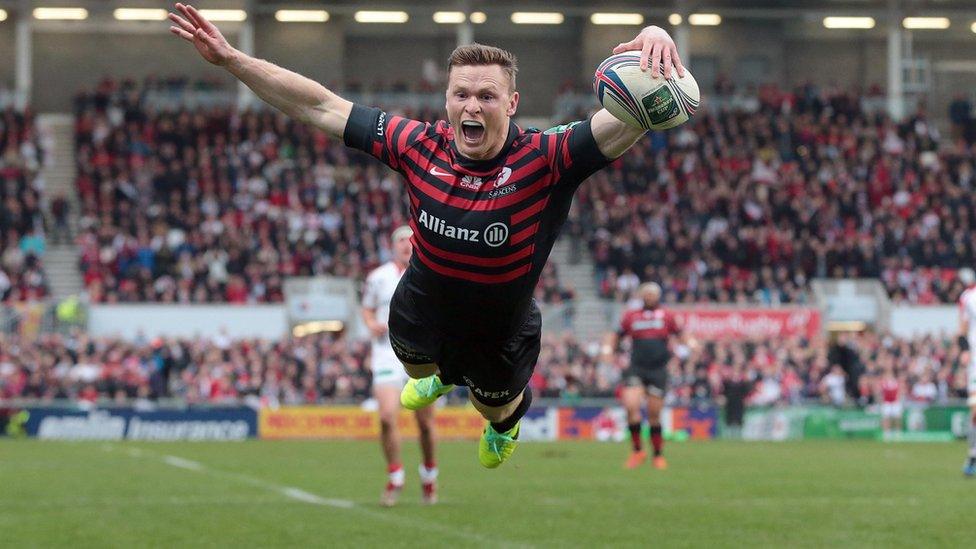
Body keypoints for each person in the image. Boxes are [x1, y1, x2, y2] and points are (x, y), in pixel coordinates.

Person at [168, 3, 685, 468]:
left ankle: (506, 420)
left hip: (500, 330)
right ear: (446, 100)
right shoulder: (418, 145)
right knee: (414, 362)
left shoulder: (547, 158)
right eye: (461, 94)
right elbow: (319, 106)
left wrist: (655, 48)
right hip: (423, 308)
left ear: (511, 103)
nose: (472, 106)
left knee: (493, 405)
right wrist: (235, 60)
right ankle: (436, 373)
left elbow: (626, 121)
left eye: (487, 95)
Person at [362, 226, 438, 506]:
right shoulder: (378, 277)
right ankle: (395, 476)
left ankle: (429, 474)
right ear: (393, 246)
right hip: (386, 353)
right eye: (401, 241)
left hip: (422, 355)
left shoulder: (430, 273)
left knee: (425, 423)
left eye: (411, 240)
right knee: (385, 416)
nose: (406, 245)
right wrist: (371, 324)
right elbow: (367, 308)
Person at [602, 282, 695, 470]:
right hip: (636, 367)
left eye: (653, 294)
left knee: (654, 415)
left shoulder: (667, 315)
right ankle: (637, 451)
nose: (650, 296)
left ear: (658, 296)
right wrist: (607, 350)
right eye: (647, 294)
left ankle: (658, 455)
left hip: (658, 370)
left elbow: (681, 334)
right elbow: (615, 335)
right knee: (631, 407)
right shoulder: (631, 316)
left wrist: (692, 344)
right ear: (642, 296)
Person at [957, 268, 976, 476]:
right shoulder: (968, 297)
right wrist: (964, 350)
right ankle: (973, 456)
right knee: (975, 411)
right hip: (975, 361)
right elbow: (962, 328)